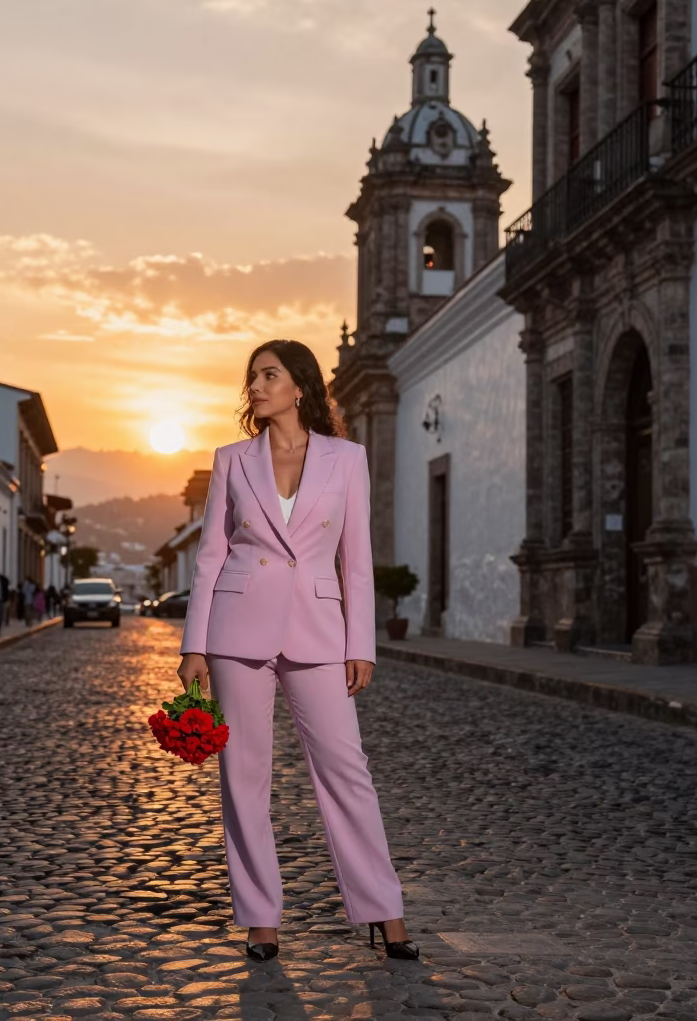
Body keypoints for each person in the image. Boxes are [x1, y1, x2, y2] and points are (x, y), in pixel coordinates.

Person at [176, 339, 416, 964]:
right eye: (251, 376)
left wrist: (358, 642)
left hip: (318, 628)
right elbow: (209, 558)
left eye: (268, 374)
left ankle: (383, 910)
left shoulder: (347, 459)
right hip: (235, 628)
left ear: (299, 386)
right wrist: (194, 644)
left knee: (347, 771)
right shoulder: (232, 459)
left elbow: (355, 560)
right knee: (244, 776)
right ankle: (260, 919)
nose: (254, 385)